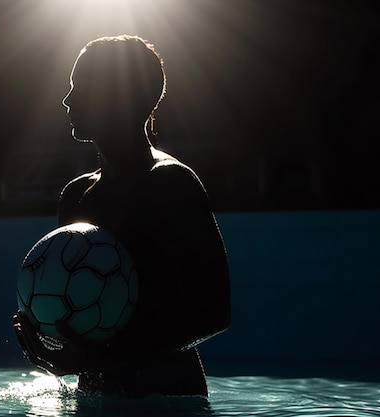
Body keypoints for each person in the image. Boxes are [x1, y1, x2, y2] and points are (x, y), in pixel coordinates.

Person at [13, 35, 230, 397]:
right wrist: (50, 339)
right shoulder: (76, 197)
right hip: (94, 394)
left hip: (168, 397)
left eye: (80, 86)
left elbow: (215, 312)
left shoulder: (171, 184)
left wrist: (105, 357)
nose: (67, 99)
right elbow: (75, 307)